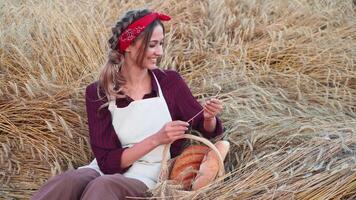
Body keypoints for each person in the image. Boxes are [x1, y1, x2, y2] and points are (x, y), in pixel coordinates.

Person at [32, 8, 223, 200]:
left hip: (150, 174)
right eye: (153, 45)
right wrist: (156, 139)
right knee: (68, 181)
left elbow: (207, 130)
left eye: (161, 44)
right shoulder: (98, 92)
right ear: (129, 46)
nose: (160, 52)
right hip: (105, 168)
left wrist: (209, 118)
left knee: (104, 186)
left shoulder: (169, 82)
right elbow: (106, 163)